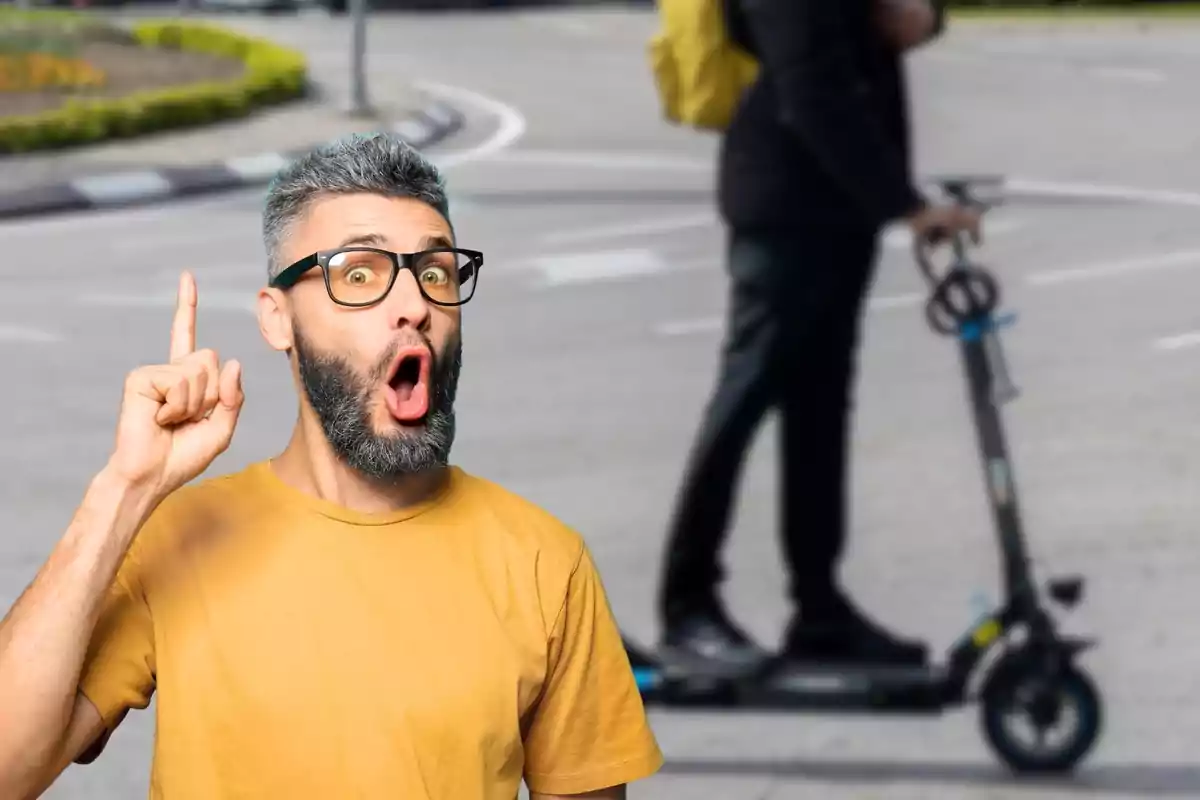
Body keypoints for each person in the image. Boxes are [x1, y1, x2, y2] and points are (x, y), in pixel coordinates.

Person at [0, 133, 663, 800]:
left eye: (435, 273)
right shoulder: (176, 538)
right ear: (278, 319)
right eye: (358, 274)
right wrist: (125, 487)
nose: (415, 305)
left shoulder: (546, 563)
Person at [655, 0, 982, 680]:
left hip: (834, 207)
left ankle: (819, 609)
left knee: (820, 410)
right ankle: (687, 606)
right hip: (787, 205)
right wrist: (908, 205)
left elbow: (891, 19)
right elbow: (811, 88)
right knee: (745, 397)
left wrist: (928, 17)